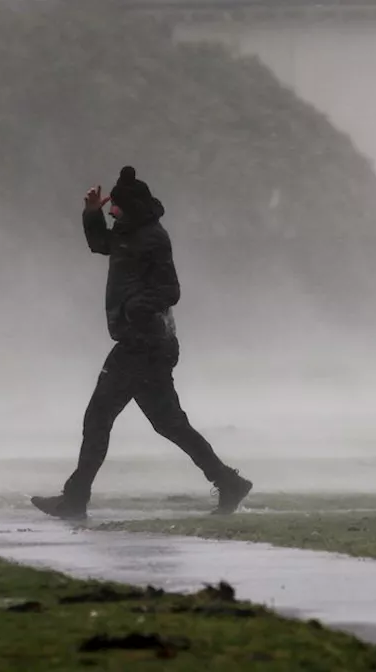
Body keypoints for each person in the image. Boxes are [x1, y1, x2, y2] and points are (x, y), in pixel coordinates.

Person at [31, 166, 252, 520]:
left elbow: (170, 290)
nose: (111, 213)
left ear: (131, 208)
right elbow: (99, 244)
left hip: (144, 344)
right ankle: (228, 482)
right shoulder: (127, 232)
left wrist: (136, 308)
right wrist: (91, 214)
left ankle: (74, 500)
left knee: (98, 417)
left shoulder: (152, 238)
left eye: (114, 208)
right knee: (169, 423)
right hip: (148, 343)